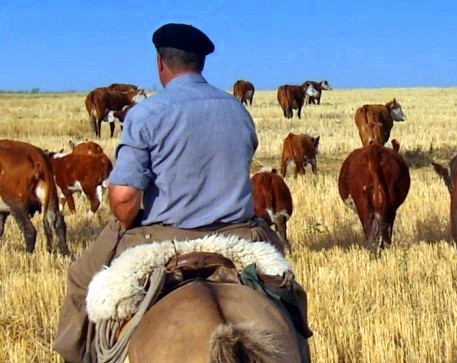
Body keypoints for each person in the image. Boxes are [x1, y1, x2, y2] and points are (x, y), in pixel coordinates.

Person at [53, 23, 311, 362]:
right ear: (202, 63)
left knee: (81, 280)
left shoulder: (147, 113)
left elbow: (124, 199)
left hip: (159, 239)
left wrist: (126, 218)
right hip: (239, 237)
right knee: (290, 294)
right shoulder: (237, 111)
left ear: (160, 63)